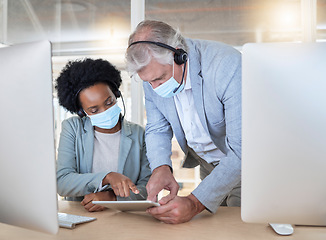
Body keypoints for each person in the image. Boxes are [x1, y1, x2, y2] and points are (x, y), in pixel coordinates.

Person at [125, 20, 241, 223]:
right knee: (213, 228)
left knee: (239, 228)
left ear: (179, 55)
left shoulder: (226, 65)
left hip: (243, 165)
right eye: (149, 82)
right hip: (208, 165)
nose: (155, 87)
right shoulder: (152, 76)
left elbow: (243, 151)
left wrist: (194, 202)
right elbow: (157, 128)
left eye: (160, 78)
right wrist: (161, 168)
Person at [55, 58, 151, 212]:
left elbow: (148, 188)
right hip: (82, 216)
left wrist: (113, 198)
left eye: (109, 102)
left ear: (116, 94)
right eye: (94, 110)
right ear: (82, 112)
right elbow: (62, 182)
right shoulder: (73, 128)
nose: (104, 111)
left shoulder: (139, 134)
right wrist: (107, 177)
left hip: (125, 219)